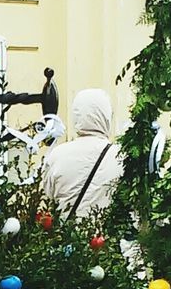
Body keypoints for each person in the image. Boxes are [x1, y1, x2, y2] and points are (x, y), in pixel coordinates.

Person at [42, 88, 123, 219]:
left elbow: (46, 199)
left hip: (66, 237)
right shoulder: (121, 156)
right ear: (107, 116)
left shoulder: (57, 156)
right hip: (108, 237)